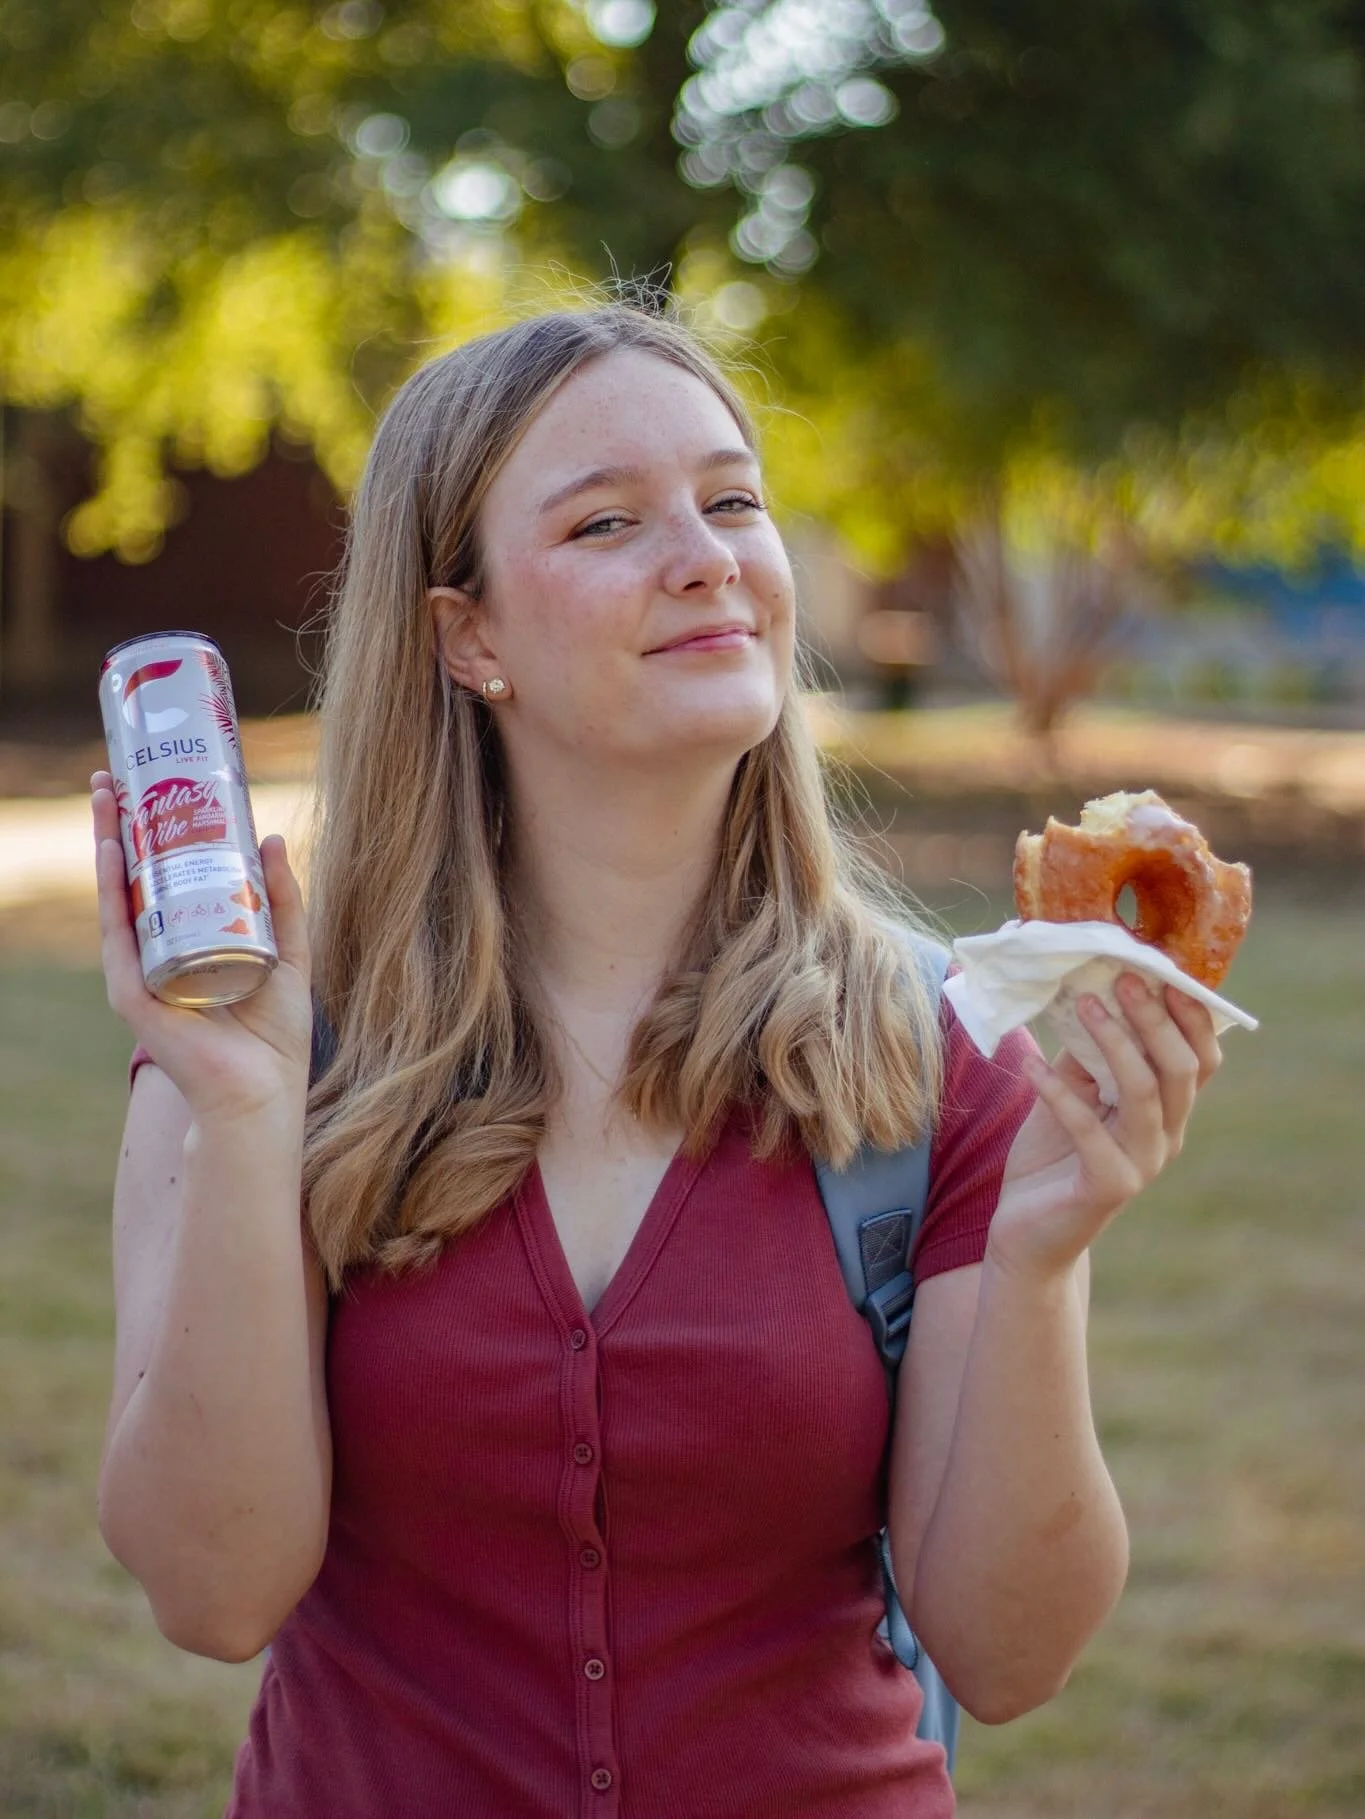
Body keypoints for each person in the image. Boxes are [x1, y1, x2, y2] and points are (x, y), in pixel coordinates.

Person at [91, 302, 1223, 1819]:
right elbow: (211, 1594)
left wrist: (1035, 1262)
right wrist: (240, 1117)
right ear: (467, 634)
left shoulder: (937, 1049)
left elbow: (1012, 1656)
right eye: (610, 519)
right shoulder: (263, 1047)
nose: (708, 555)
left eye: (734, 499)